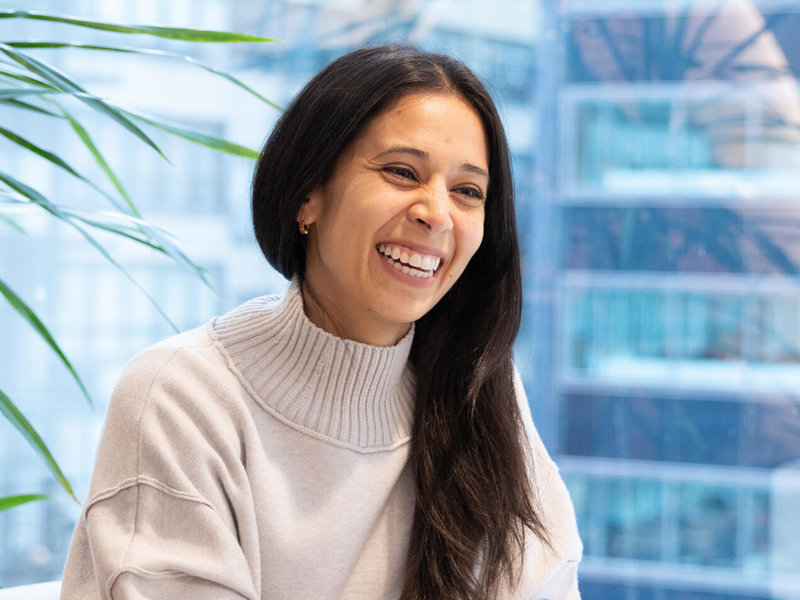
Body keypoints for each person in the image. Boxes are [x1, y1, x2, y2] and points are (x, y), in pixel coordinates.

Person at [61, 45, 582, 600]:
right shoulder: (182, 396)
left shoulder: (478, 388)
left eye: (467, 192)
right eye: (402, 172)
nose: (437, 214)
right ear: (307, 196)